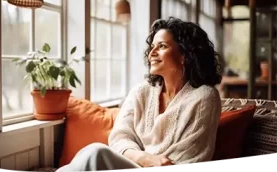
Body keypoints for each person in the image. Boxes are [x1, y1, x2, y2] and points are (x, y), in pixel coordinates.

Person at [56, 17, 223, 172]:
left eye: (162, 46)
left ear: (185, 55)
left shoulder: (204, 97)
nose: (152, 53)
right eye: (152, 47)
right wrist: (145, 158)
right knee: (94, 153)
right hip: (136, 165)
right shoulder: (141, 92)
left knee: (96, 153)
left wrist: (148, 161)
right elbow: (119, 139)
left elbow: (190, 156)